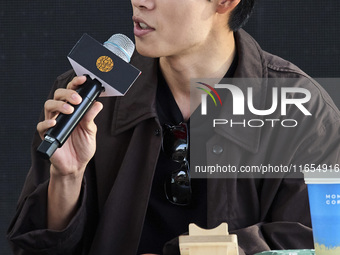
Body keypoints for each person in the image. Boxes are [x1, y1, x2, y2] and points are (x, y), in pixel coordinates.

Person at [7, 0, 340, 254]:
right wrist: (67, 178)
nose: (140, 2)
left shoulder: (302, 110)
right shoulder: (87, 94)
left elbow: (322, 243)